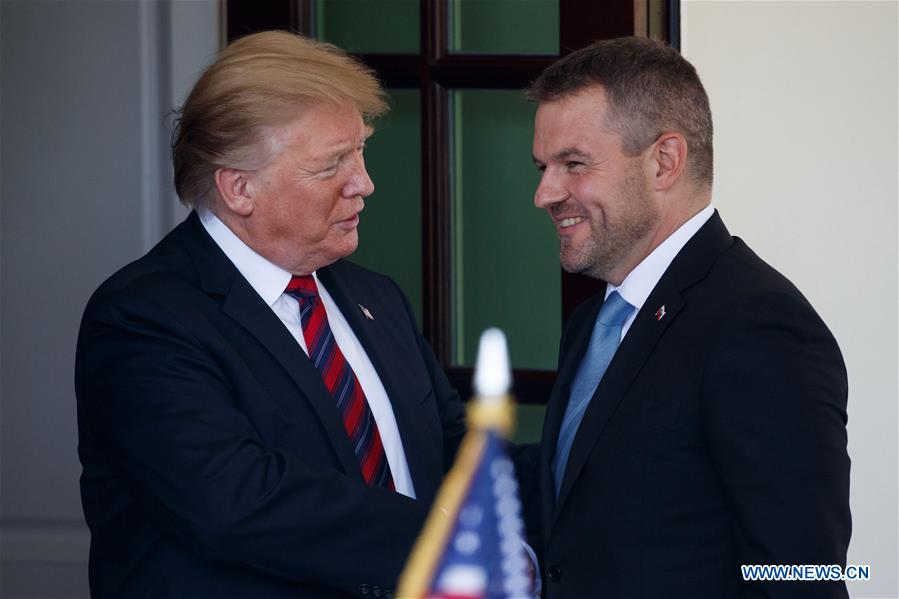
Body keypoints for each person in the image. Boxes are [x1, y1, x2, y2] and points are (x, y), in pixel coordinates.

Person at [75, 31, 466, 599]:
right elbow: (237, 502)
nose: (364, 183)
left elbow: (451, 450)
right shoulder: (142, 318)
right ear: (239, 188)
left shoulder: (375, 296)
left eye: (361, 150)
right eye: (331, 164)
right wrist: (455, 544)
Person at [525, 37, 851, 598]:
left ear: (664, 162)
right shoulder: (590, 322)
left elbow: (803, 578)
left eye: (573, 164)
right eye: (543, 167)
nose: (544, 193)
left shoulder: (760, 326)